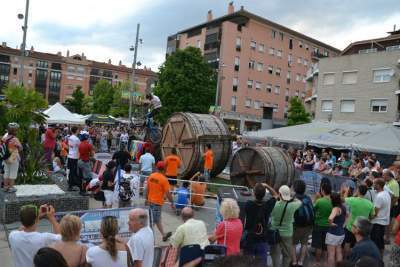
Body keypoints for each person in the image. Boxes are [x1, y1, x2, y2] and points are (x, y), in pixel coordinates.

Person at [242, 183, 278, 266]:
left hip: (250, 237)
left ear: (254, 193)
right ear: (264, 195)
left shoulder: (249, 204)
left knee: (247, 261)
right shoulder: (268, 205)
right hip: (262, 237)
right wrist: (267, 186)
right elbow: (276, 195)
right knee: (261, 262)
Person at [270, 185, 301, 267]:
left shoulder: (274, 205)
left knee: (275, 254)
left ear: (279, 194)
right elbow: (299, 202)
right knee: (287, 255)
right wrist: (291, 196)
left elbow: (271, 214)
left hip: (275, 232)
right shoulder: (293, 205)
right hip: (287, 233)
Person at [343, 184, 375, 256]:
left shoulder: (353, 200)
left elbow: (344, 199)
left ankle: (347, 258)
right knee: (358, 244)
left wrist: (346, 191)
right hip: (362, 228)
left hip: (351, 226)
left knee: (347, 243)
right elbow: (373, 215)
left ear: (358, 191)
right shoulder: (370, 203)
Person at [146, 161, 174, 241]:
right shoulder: (164, 179)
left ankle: (163, 234)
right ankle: (149, 238)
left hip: (150, 201)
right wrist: (172, 202)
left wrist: (146, 199)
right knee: (153, 222)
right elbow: (168, 193)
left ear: (157, 168)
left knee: (156, 220)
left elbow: (147, 189)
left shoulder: (151, 176)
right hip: (157, 203)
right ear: (164, 168)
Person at [292, 180, 314, 267]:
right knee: (304, 244)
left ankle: (294, 262)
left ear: (295, 188)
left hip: (297, 226)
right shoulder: (308, 198)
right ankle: (301, 261)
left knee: (292, 244)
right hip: (308, 225)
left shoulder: (293, 199)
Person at [312, 181, 333, 263]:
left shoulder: (319, 201)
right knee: (325, 246)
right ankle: (324, 262)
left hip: (318, 225)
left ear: (323, 191)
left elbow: (312, 209)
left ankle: (317, 263)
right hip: (328, 226)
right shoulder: (333, 201)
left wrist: (315, 199)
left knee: (318, 246)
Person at [370, 178, 391, 255]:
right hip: (383, 222)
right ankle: (380, 259)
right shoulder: (386, 193)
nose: (373, 185)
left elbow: (375, 213)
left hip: (377, 223)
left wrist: (369, 219)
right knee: (380, 243)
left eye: (374, 183)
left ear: (378, 185)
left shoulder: (379, 196)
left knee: (376, 244)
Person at [326, 192, 347, 267]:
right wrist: (344, 224)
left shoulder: (335, 208)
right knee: (339, 251)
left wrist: (331, 223)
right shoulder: (343, 207)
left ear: (332, 200)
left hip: (333, 233)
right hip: (341, 233)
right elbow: (347, 216)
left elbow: (330, 218)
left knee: (331, 254)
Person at [1, 122, 23, 193]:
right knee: (13, 172)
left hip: (5, 158)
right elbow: (20, 148)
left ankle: (5, 187)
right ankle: (11, 187)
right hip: (13, 157)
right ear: (14, 131)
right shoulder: (15, 139)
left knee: (6, 172)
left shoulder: (4, 138)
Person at [67, 126, 81, 191]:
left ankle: (72, 184)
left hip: (70, 155)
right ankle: (70, 186)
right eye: (78, 130)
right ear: (76, 131)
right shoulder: (76, 139)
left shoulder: (69, 137)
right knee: (73, 171)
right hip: (74, 157)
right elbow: (80, 147)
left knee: (71, 171)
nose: (79, 131)